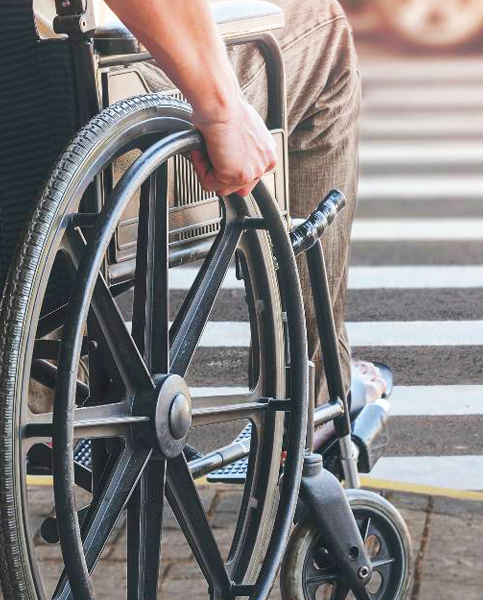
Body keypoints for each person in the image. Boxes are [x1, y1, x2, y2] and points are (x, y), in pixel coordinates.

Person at [34, 0, 386, 405]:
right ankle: (312, 402)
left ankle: (43, 410)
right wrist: (222, 110)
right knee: (321, 25)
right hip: (89, 126)